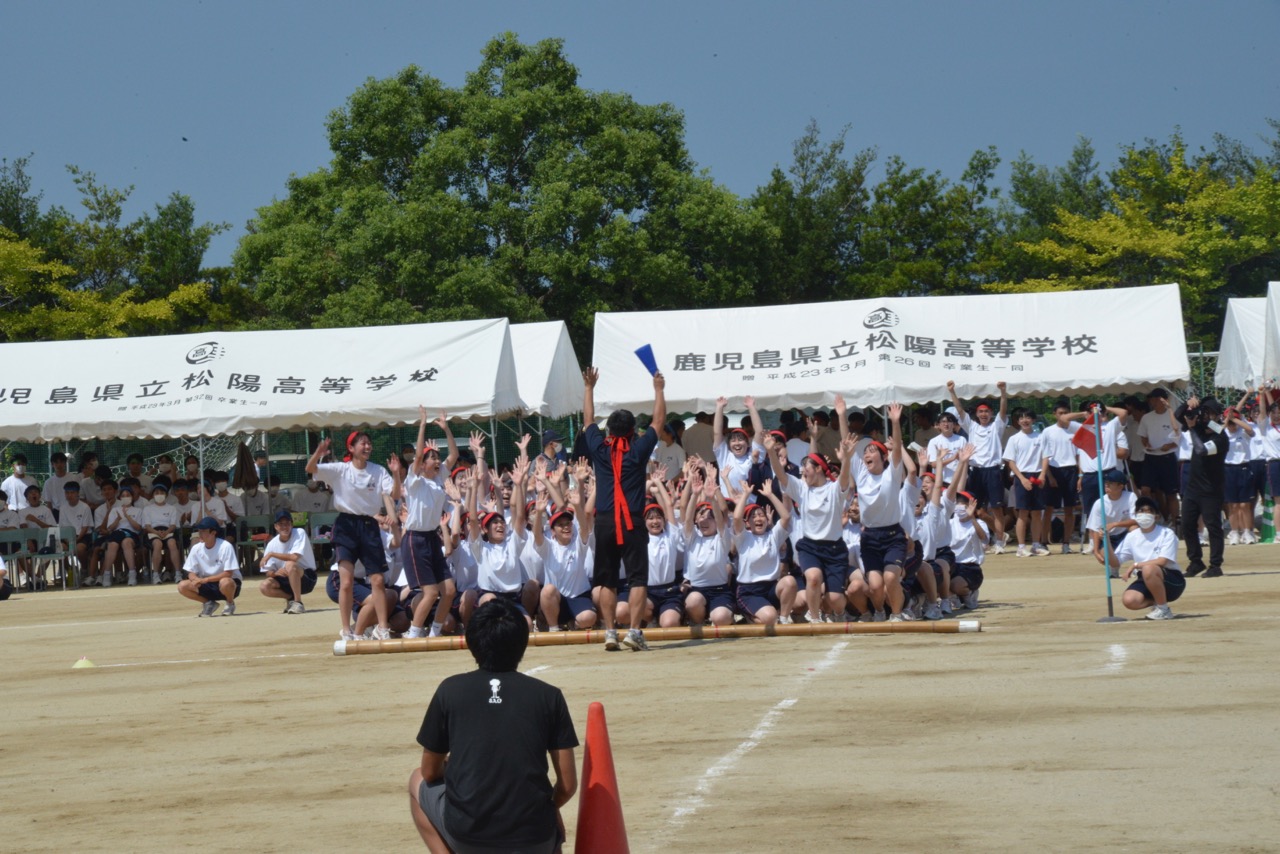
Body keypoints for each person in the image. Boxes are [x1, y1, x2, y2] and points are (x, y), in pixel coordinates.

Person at [408, 597, 578, 853]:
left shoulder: (450, 690)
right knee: (542, 814)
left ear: (471, 642)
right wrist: (550, 808)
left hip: (469, 836)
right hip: (534, 836)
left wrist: (456, 766)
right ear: (523, 643)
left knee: (416, 779)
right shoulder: (549, 696)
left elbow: (429, 772)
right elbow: (567, 785)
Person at [582, 366, 665, 651]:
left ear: (611, 430)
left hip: (604, 520)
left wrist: (589, 388)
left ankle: (609, 632)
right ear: (631, 431)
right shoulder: (638, 449)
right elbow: (658, 421)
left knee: (606, 578)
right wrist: (658, 389)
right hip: (631, 520)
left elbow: (588, 420)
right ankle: (634, 631)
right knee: (637, 577)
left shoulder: (599, 448)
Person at [308, 431, 398, 640]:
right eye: (363, 444)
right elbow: (310, 469)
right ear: (351, 448)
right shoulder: (341, 469)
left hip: (369, 524)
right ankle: (346, 630)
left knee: (377, 579)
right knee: (346, 581)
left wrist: (396, 475)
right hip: (346, 524)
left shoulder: (378, 470)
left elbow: (391, 495)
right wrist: (318, 453)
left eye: (369, 443)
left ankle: (382, 628)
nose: (367, 447)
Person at [396, 408, 461, 638]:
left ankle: (434, 631)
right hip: (415, 538)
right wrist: (423, 424)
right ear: (421, 464)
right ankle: (413, 633)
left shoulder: (438, 480)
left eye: (436, 457)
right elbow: (417, 458)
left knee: (449, 590)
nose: (437, 460)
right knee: (431, 592)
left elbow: (453, 455)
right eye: (431, 457)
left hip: (431, 538)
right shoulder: (414, 481)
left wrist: (446, 428)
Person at [947, 380, 1009, 551]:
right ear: (976, 413)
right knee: (975, 510)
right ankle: (984, 539)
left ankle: (999, 542)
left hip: (993, 471)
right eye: (981, 411)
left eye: (987, 411)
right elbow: (959, 409)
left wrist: (1003, 392)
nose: (983, 414)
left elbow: (1003, 411)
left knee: (997, 509)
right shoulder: (971, 426)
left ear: (991, 413)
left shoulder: (997, 426)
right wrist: (952, 392)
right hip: (976, 472)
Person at [1177, 395, 1228, 577]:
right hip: (1193, 487)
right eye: (1204, 412)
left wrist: (1192, 430)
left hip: (1211, 490)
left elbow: (1201, 450)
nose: (1206, 416)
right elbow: (1179, 415)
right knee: (1187, 525)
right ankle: (1195, 561)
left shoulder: (1221, 437)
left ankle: (1215, 565)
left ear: (1217, 415)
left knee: (1213, 526)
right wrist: (1188, 404)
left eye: (1210, 413)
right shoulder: (1200, 426)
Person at [1115, 495, 1185, 620]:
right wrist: (1104, 543)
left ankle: (1163, 609)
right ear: (1135, 515)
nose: (1145, 514)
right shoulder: (1132, 536)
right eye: (1141, 511)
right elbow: (1115, 561)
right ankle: (1157, 602)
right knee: (1129, 600)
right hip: (1146, 579)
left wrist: (1136, 565)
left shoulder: (1166, 533)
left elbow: (1162, 561)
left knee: (1149, 568)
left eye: (1149, 511)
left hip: (1171, 580)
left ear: (1156, 516)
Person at [1003, 408, 1050, 557]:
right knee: (1022, 513)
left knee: (1037, 513)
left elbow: (1045, 457)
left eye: (1028, 417)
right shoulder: (1014, 439)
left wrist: (1042, 476)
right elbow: (1010, 461)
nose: (1025, 420)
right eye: (1021, 418)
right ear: (1017, 421)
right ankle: (1021, 547)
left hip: (1037, 476)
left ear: (1033, 420)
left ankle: (1036, 544)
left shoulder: (1040, 437)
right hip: (1021, 476)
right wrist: (1022, 479)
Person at [177, 516, 242, 617]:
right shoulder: (196, 548)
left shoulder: (225, 546)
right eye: (199, 531)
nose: (200, 534)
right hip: (206, 583)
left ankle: (230, 603)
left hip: (228, 584)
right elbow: (190, 571)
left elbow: (228, 573)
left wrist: (205, 580)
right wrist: (194, 579)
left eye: (203, 531)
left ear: (213, 532)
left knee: (226, 581)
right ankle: (208, 603)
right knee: (182, 586)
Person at [257, 509, 317, 614]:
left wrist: (271, 554)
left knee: (290, 564)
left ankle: (298, 603)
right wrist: (275, 573)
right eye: (281, 524)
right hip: (285, 578)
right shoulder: (272, 544)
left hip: (306, 577)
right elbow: (267, 571)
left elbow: (294, 558)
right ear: (275, 526)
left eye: (287, 523)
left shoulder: (299, 533)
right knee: (264, 586)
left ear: (292, 525)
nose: (285, 527)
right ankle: (291, 598)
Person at [140, 481, 181, 584]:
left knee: (172, 543)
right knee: (157, 544)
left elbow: (173, 525)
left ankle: (177, 573)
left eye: (162, 493)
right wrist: (157, 533)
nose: (159, 495)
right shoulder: (148, 509)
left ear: (166, 495)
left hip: (168, 531)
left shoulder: (172, 508)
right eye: (156, 493)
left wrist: (166, 532)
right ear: (153, 495)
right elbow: (147, 526)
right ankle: (156, 574)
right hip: (153, 531)